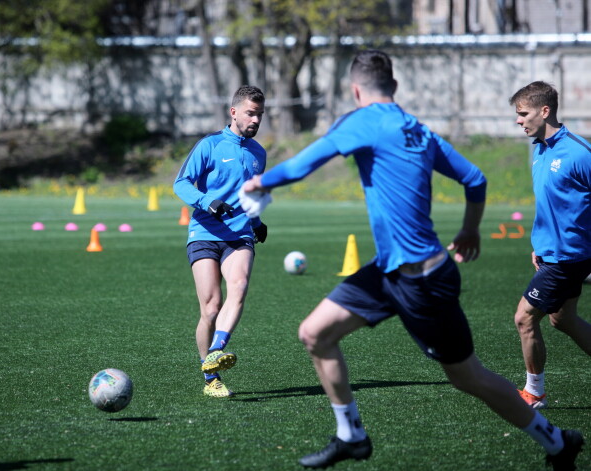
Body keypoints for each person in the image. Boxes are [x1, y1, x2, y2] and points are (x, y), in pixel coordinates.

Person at [241, 51, 583, 470]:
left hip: (424, 280)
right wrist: (470, 229)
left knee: (468, 376)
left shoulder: (361, 121)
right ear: (396, 88)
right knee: (315, 333)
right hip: (387, 271)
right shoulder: (419, 130)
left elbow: (304, 163)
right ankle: (351, 435)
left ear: (355, 90)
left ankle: (556, 441)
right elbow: (475, 179)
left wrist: (261, 180)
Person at [174, 85, 268, 398]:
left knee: (238, 285)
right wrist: (207, 202)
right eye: (250, 113)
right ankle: (210, 377)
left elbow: (250, 197)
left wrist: (256, 222)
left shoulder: (259, 154)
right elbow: (181, 183)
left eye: (259, 115)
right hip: (203, 233)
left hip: (239, 235)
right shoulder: (210, 145)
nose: (255, 120)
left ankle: (216, 350)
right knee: (211, 307)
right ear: (234, 112)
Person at [508, 81, 591, 410]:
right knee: (564, 320)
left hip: (568, 258)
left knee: (525, 319)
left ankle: (534, 392)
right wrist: (539, 243)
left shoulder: (578, 153)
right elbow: (551, 205)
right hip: (551, 254)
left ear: (545, 111)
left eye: (523, 113)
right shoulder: (539, 150)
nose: (518, 121)